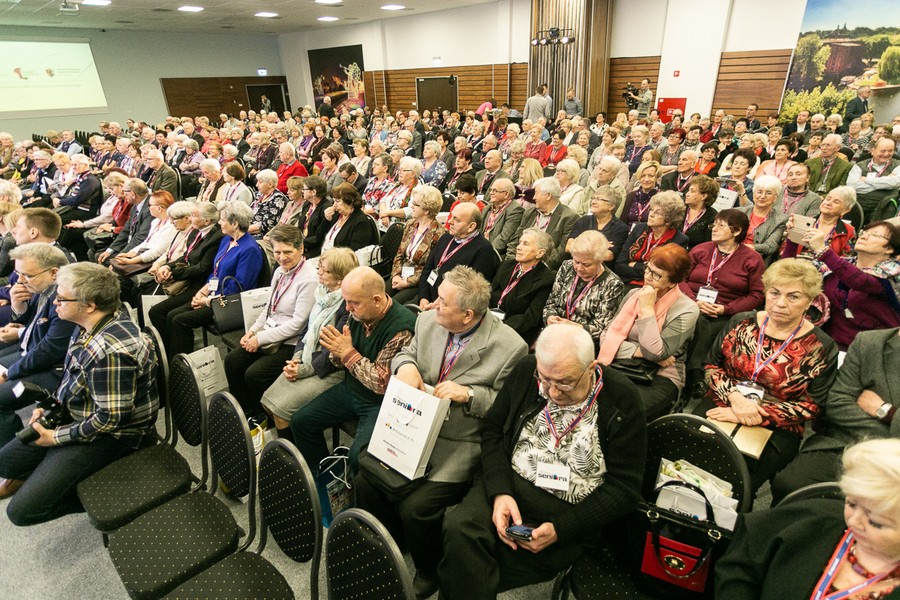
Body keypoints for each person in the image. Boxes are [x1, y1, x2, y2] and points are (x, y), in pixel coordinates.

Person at [438, 323, 647, 599]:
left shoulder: (622, 398)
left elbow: (624, 490)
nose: (553, 393)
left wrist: (562, 529)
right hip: (510, 487)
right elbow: (492, 432)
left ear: (591, 367)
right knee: (459, 528)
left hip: (569, 511)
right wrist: (500, 491)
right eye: (545, 379)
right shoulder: (527, 370)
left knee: (464, 568)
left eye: (565, 382)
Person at [357, 266, 528, 597]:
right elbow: (406, 354)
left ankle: (428, 568)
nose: (433, 304)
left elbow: (508, 409)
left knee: (418, 507)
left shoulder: (510, 348)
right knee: (368, 480)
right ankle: (390, 544)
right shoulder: (426, 321)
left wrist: (471, 395)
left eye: (442, 301)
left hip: (461, 438)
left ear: (467, 315)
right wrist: (404, 366)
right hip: (415, 423)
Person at [0, 263, 158, 524]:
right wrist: (49, 406)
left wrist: (56, 438)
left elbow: (110, 420)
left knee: (22, 513)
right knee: (5, 463)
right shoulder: (85, 324)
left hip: (115, 435)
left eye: (61, 298)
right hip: (80, 413)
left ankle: (115, 495)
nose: (55, 303)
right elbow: (73, 375)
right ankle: (63, 472)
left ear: (89, 304)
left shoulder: (110, 352)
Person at [697, 258, 838, 493]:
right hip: (723, 401)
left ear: (810, 302)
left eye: (793, 296)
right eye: (774, 293)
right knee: (687, 455)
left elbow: (812, 406)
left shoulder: (821, 347)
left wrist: (754, 413)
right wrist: (735, 399)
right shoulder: (740, 322)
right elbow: (711, 366)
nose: (780, 303)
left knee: (737, 481)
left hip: (779, 423)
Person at [716, 438, 900, 599]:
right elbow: (741, 565)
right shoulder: (813, 519)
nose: (853, 521)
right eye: (851, 504)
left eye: (875, 522)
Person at [290, 266, 416, 472]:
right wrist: (336, 352)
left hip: (381, 403)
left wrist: (347, 353)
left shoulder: (402, 328)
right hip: (353, 388)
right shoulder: (357, 314)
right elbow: (339, 356)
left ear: (376, 300)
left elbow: (381, 384)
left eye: (353, 303)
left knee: (358, 458)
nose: (347, 308)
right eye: (346, 301)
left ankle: (356, 498)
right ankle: (326, 481)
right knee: (301, 422)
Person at [260, 248, 358, 442]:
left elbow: (334, 352)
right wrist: (296, 358)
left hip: (330, 370)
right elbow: (306, 329)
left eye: (325, 270)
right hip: (307, 359)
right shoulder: (322, 294)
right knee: (268, 402)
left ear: (340, 279)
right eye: (320, 267)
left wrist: (303, 369)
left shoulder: (347, 306)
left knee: (281, 412)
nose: (319, 272)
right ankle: (291, 451)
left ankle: (296, 459)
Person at [223, 225, 318, 419]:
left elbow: (298, 324)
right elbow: (269, 307)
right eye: (277, 252)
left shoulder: (309, 279)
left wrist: (260, 339)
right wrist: (252, 331)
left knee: (255, 374)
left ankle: (264, 418)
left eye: (287, 252)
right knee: (232, 361)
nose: (282, 257)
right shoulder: (280, 271)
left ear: (301, 249)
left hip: (293, 342)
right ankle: (245, 414)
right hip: (271, 333)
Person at [599, 244, 699, 420]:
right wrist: (639, 352)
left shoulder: (687, 309)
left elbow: (655, 352)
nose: (647, 277)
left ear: (673, 282)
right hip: (618, 363)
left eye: (657, 275)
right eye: (648, 269)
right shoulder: (633, 294)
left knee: (623, 415)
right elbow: (606, 337)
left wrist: (646, 309)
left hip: (660, 374)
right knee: (586, 401)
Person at [157, 201, 263, 358]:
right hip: (213, 296)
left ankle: (180, 367)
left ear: (234, 224)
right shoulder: (226, 240)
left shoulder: (250, 249)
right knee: (172, 315)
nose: (219, 222)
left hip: (229, 303)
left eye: (222, 219)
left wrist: (207, 301)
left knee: (180, 320)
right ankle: (171, 360)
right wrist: (202, 292)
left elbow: (239, 287)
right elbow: (216, 272)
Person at [0, 244, 75, 446]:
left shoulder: (63, 299)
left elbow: (49, 350)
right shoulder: (43, 289)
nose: (21, 281)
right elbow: (35, 325)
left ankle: (13, 458)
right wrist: (18, 306)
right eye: (18, 274)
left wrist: (8, 374)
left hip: (55, 371)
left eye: (27, 275)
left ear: (53, 273)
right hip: (31, 354)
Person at [795, 220, 899, 350]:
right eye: (864, 232)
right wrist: (793, 238)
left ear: (889, 248)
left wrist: (823, 250)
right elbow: (789, 272)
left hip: (873, 353)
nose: (864, 236)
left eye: (875, 235)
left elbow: (860, 281)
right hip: (830, 347)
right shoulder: (837, 266)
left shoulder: (893, 272)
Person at [544, 230, 625, 350]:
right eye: (576, 261)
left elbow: (601, 328)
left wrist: (572, 327)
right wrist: (550, 317)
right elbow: (551, 303)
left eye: (586, 265)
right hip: (555, 333)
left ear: (600, 260)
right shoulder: (567, 267)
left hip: (583, 343)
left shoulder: (613, 284)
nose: (579, 268)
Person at [417, 202, 499, 308]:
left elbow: (471, 290)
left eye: (457, 219)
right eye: (451, 216)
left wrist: (440, 303)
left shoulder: (484, 250)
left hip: (451, 306)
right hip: (427, 296)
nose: (450, 221)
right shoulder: (445, 238)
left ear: (471, 227)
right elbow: (428, 269)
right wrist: (423, 297)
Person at [490, 228, 556, 346]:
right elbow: (489, 293)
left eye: (525, 244)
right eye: (520, 242)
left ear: (540, 253)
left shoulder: (545, 279)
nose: (519, 247)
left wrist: (500, 327)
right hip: (490, 322)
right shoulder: (506, 266)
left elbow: (531, 318)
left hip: (515, 333)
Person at [615, 191, 689, 287]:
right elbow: (619, 264)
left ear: (669, 220)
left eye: (658, 213)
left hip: (654, 287)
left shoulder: (679, 240)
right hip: (626, 282)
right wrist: (646, 270)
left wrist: (635, 265)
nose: (651, 214)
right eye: (651, 210)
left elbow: (663, 275)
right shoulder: (639, 229)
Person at [389, 185, 446, 305]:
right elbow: (399, 254)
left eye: (415, 204)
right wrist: (396, 275)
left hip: (418, 282)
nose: (411, 207)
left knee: (392, 305)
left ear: (426, 210)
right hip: (400, 274)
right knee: (376, 295)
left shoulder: (439, 234)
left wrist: (408, 282)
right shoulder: (410, 224)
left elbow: (430, 267)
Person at [506, 177, 578, 269]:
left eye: (536, 193)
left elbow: (560, 253)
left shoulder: (569, 218)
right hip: (520, 264)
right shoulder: (529, 213)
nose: (533, 197)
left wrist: (535, 267)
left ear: (548, 196)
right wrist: (512, 261)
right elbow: (515, 240)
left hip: (544, 269)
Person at [782, 185, 857, 264]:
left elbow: (846, 263)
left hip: (825, 273)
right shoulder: (803, 221)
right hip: (794, 266)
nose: (828, 203)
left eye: (836, 202)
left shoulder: (849, 231)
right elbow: (783, 252)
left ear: (845, 210)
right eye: (828, 199)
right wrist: (791, 233)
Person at [566, 184, 629, 264]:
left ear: (611, 206)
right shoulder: (584, 221)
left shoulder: (620, 228)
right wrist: (599, 246)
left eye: (599, 199)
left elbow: (608, 256)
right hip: (576, 264)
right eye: (593, 198)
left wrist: (580, 244)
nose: (593, 202)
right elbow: (568, 247)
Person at [738, 174, 788, 264]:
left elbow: (770, 246)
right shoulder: (739, 212)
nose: (763, 196)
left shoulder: (781, 219)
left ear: (776, 197)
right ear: (753, 194)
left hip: (757, 262)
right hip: (732, 256)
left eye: (769, 193)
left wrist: (746, 248)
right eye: (759, 192)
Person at [847, 137, 900, 222]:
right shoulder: (860, 165)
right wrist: (885, 182)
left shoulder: (897, 165)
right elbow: (852, 186)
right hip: (861, 207)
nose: (886, 154)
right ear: (873, 151)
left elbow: (894, 183)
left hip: (886, 209)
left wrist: (867, 180)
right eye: (883, 151)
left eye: (890, 151)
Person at [319, 182, 379, 253]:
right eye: (334, 201)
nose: (334, 205)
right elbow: (318, 237)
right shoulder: (336, 215)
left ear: (350, 202)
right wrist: (326, 219)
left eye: (337, 201)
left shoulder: (361, 222)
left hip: (339, 261)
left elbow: (353, 253)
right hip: (322, 255)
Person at [481, 178, 524, 255]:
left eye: (495, 191)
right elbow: (478, 230)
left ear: (506, 194)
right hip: (481, 247)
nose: (491, 193)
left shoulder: (515, 210)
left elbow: (504, 238)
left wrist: (486, 252)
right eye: (491, 190)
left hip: (495, 252)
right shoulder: (487, 208)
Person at [679, 174, 718, 249]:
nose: (687, 194)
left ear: (704, 196)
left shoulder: (712, 216)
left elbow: (707, 246)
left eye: (692, 191)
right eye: (688, 190)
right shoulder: (679, 207)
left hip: (694, 256)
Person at [620, 161, 661, 226]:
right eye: (643, 176)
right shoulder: (631, 196)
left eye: (651, 176)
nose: (646, 179)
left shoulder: (662, 198)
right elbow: (622, 221)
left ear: (656, 177)